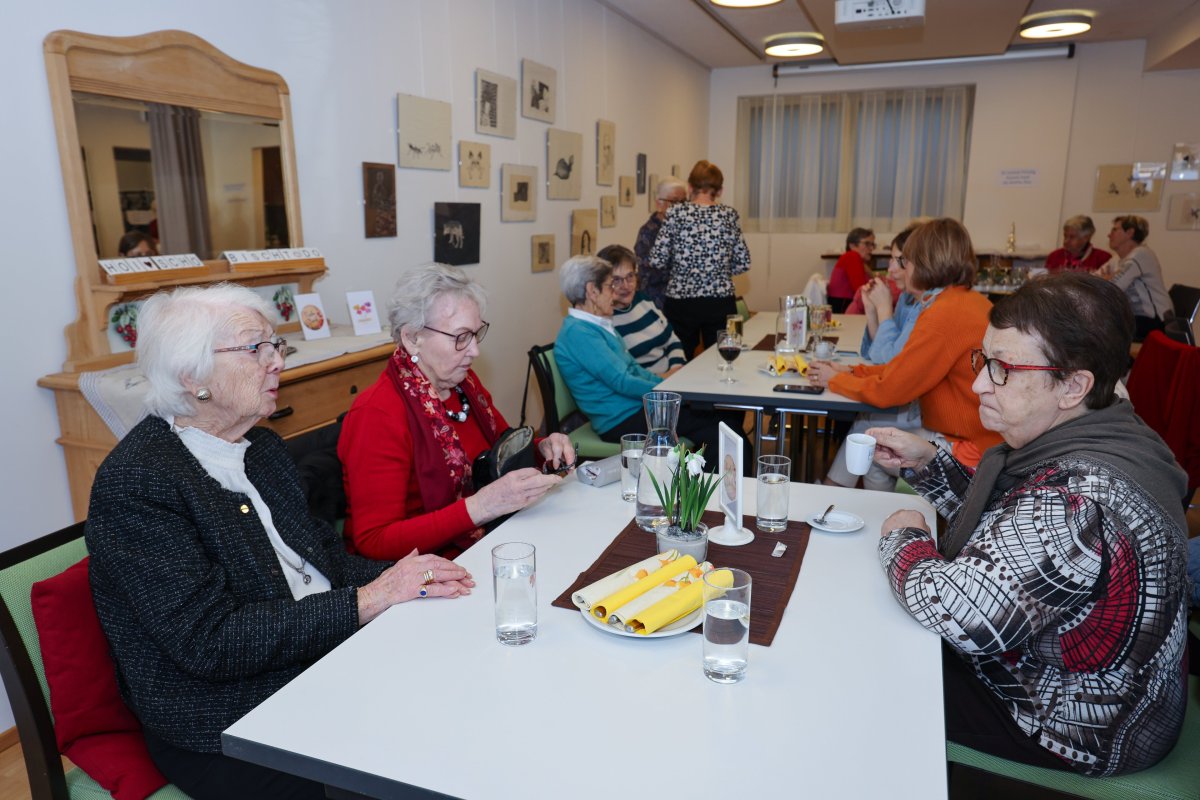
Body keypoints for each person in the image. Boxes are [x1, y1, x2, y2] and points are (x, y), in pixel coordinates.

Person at [85, 284, 475, 800]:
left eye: (276, 346)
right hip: (229, 722)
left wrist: (415, 577)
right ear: (192, 378)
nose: (277, 362)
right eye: (256, 349)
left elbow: (327, 560)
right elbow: (210, 642)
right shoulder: (139, 482)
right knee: (416, 767)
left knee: (466, 696)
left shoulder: (262, 449)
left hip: (320, 665)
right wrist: (371, 598)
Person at [869, 272, 1189, 777]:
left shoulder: (1075, 500)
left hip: (1075, 723)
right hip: (1121, 695)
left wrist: (904, 536)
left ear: (1073, 386)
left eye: (1002, 368)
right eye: (983, 360)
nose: (979, 383)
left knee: (869, 673)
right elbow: (1017, 532)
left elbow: (961, 614)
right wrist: (930, 464)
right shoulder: (1112, 425)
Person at [338, 263, 574, 560]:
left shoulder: (463, 384)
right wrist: (481, 506)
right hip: (423, 568)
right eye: (461, 337)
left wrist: (542, 449)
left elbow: (500, 451)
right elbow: (375, 541)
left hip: (486, 540)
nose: (474, 350)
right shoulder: (377, 414)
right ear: (412, 338)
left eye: (475, 334)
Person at [808, 218, 1002, 468]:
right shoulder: (962, 301)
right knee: (874, 441)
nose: (900, 268)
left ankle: (832, 485)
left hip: (970, 448)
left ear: (923, 263)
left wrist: (834, 380)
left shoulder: (945, 313)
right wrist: (851, 371)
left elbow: (890, 391)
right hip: (982, 438)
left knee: (872, 439)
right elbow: (904, 367)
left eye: (905, 261)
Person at [554, 255, 740, 460]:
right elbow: (623, 381)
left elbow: (634, 369)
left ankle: (718, 477)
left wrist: (667, 386)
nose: (614, 293)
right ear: (592, 291)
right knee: (720, 423)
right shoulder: (579, 333)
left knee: (720, 419)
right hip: (620, 421)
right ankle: (725, 479)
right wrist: (669, 394)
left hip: (637, 408)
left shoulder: (596, 325)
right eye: (609, 286)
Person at [823, 223, 924, 490]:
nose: (890, 269)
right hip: (907, 402)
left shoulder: (923, 307)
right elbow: (876, 352)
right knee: (867, 427)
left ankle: (831, 490)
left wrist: (883, 309)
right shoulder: (909, 300)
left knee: (867, 429)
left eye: (898, 261)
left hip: (919, 410)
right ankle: (842, 494)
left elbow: (888, 361)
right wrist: (871, 311)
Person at [649, 161, 750, 356]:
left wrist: (681, 268)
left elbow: (657, 260)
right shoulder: (729, 216)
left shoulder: (675, 213)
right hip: (720, 301)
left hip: (681, 301)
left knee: (679, 357)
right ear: (719, 191)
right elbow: (743, 263)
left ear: (689, 187)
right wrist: (717, 270)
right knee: (723, 357)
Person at [598, 243, 686, 376]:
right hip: (650, 385)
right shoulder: (604, 321)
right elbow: (624, 377)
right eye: (616, 280)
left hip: (674, 375)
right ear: (602, 283)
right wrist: (666, 379)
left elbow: (672, 341)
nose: (626, 286)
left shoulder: (644, 300)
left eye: (630, 276)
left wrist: (676, 369)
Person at [1096, 215, 1171, 341]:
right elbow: (1093, 280)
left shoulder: (1141, 254)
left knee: (1099, 330)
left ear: (1130, 232)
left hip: (1156, 321)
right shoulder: (1117, 258)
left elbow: (1113, 288)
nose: (1109, 235)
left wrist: (1107, 278)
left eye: (1114, 230)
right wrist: (1107, 278)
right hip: (1137, 318)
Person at [634, 177, 688, 309]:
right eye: (675, 201)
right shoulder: (648, 232)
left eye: (684, 201)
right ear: (659, 203)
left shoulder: (685, 228)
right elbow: (650, 272)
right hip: (658, 304)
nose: (681, 207)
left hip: (682, 302)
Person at [828, 228, 875, 313]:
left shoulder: (855, 259)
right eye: (867, 244)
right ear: (852, 245)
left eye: (872, 244)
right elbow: (861, 289)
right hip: (843, 307)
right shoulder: (852, 256)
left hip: (843, 304)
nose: (871, 248)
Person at [1043, 214, 1110, 273]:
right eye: (1065, 236)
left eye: (1072, 237)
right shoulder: (1054, 256)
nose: (1066, 241)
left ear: (1086, 237)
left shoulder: (1103, 258)